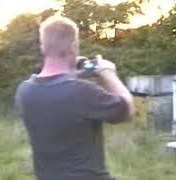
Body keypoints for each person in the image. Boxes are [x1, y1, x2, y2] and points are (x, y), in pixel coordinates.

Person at [15, 15, 135, 180]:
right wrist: (108, 74)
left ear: (43, 47)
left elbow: (56, 92)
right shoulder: (83, 92)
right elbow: (127, 110)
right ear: (73, 48)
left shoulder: (24, 91)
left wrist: (70, 74)